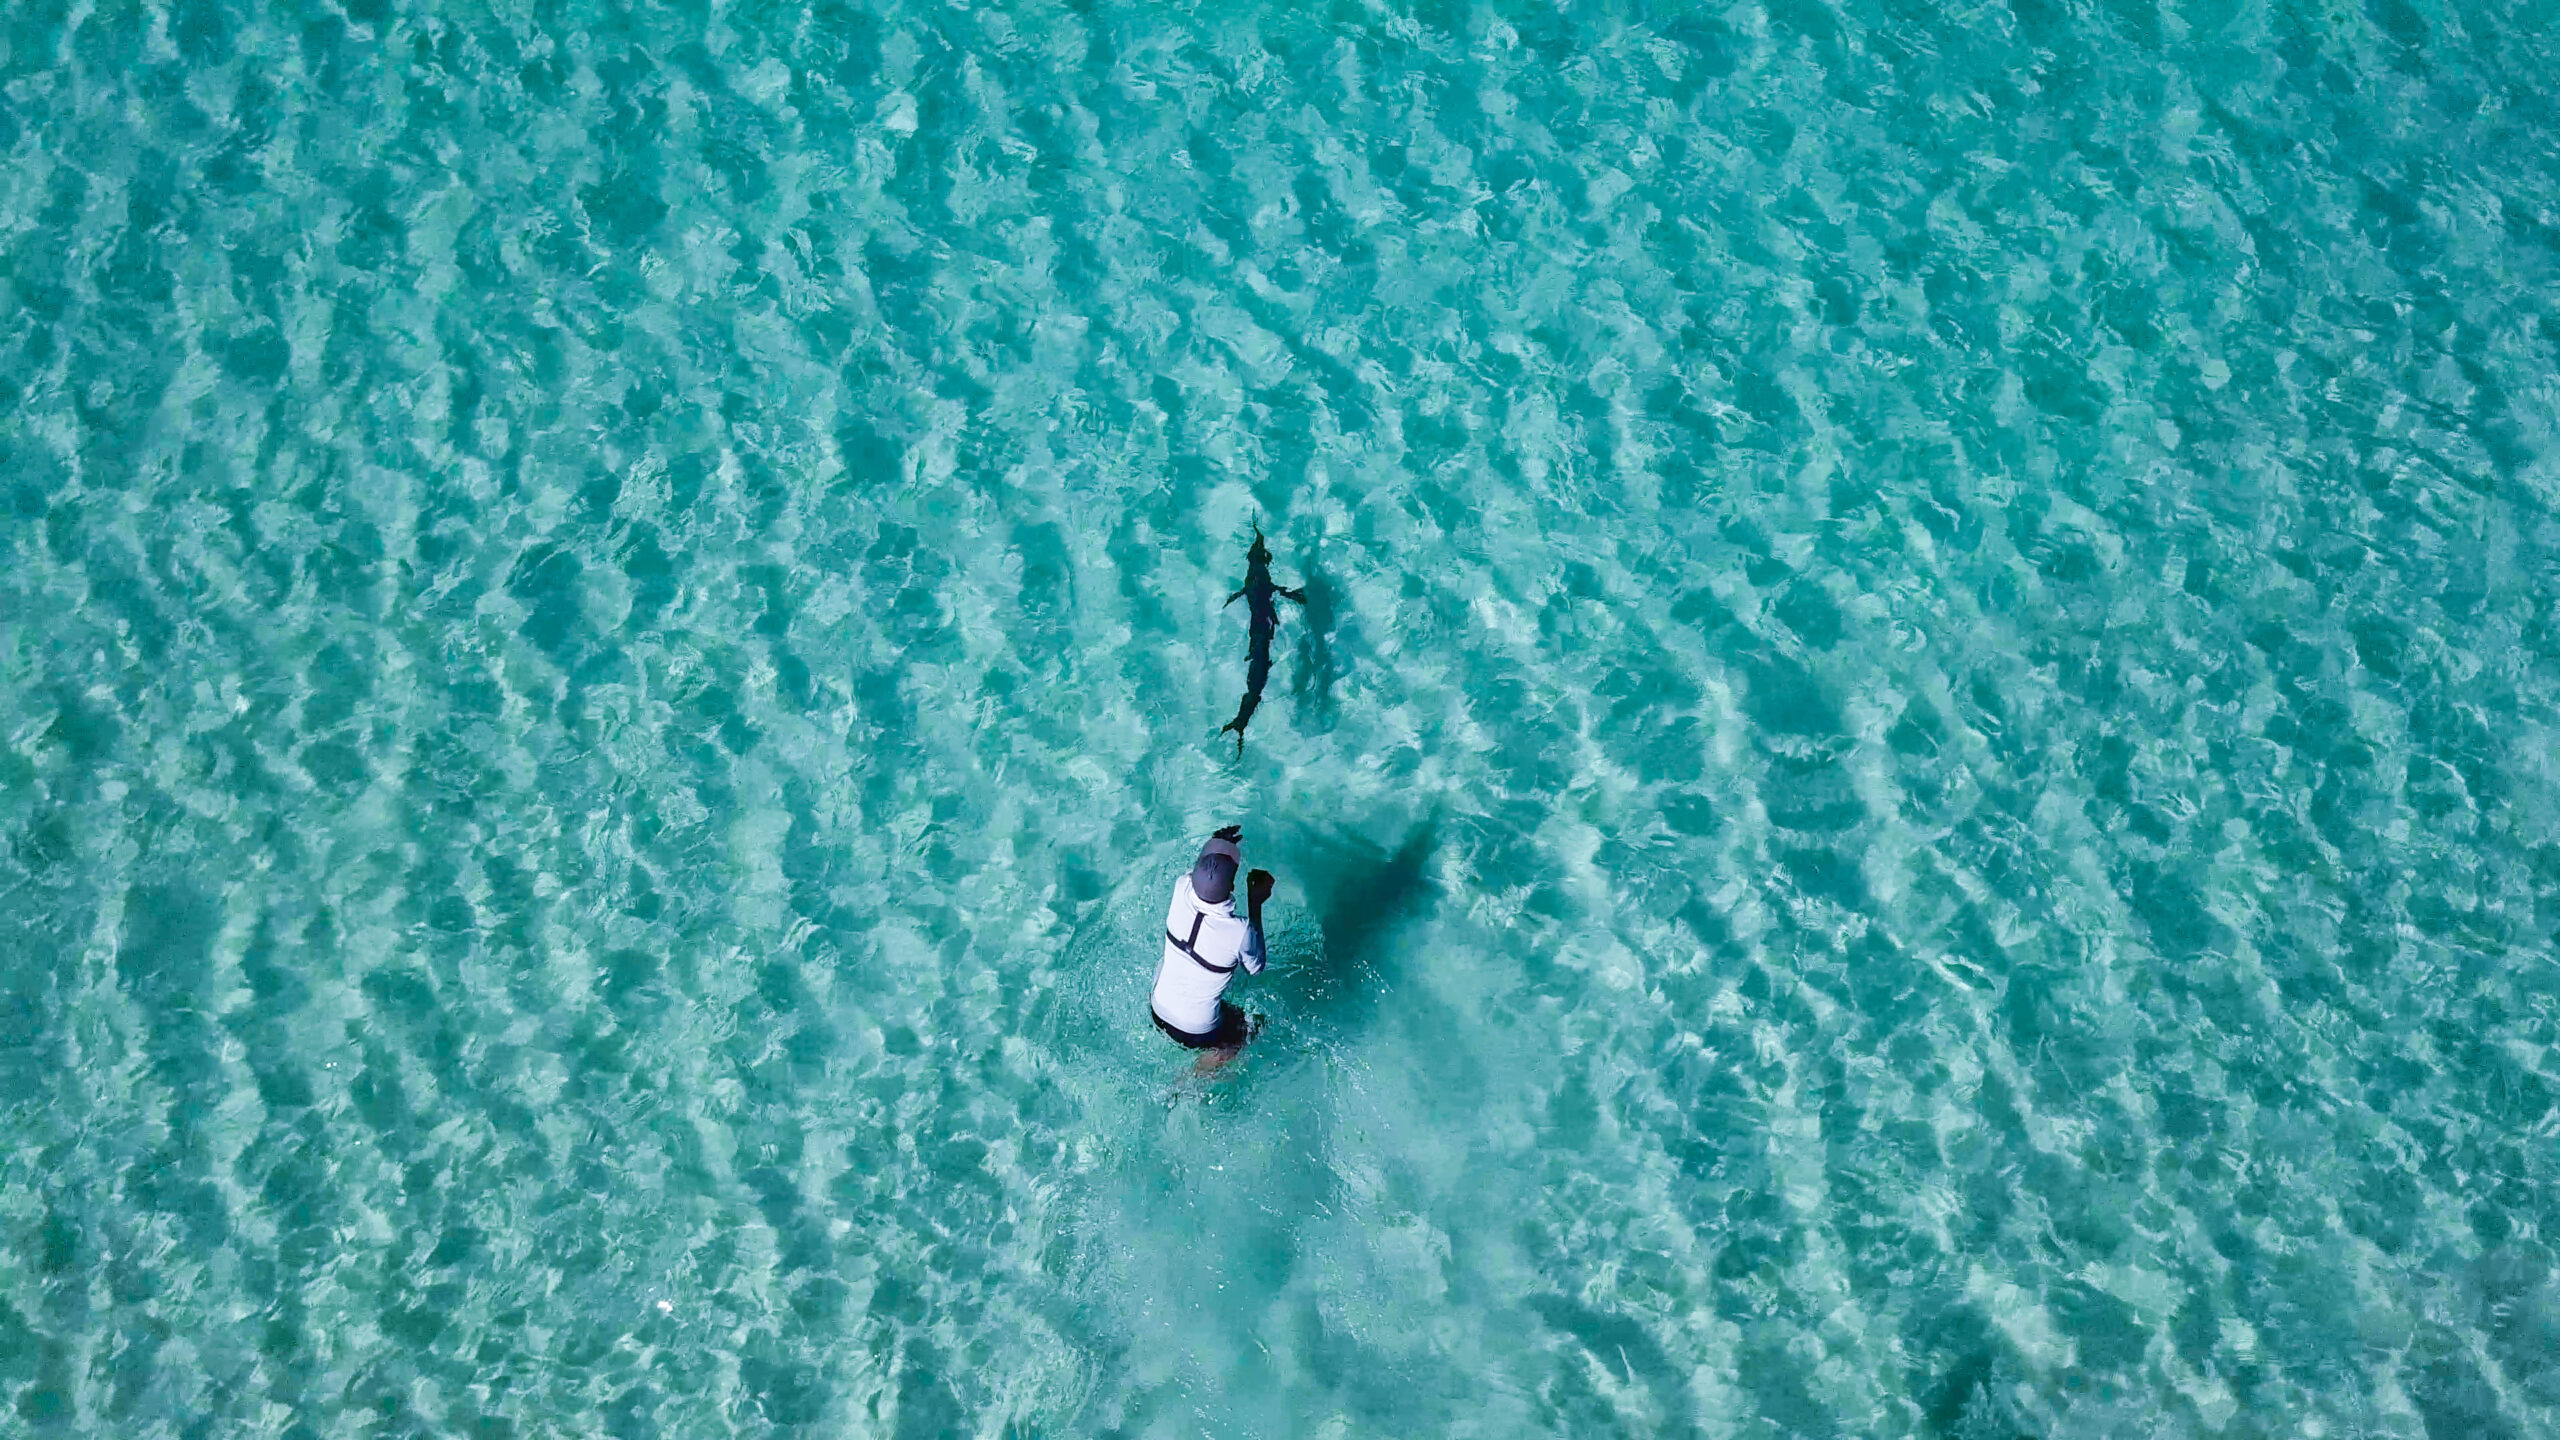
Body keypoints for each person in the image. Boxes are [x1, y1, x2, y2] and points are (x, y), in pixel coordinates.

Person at [1150, 826, 1273, 1061]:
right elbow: (1256, 968)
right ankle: (1198, 1077)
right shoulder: (1239, 931)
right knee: (1253, 1025)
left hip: (1157, 1007)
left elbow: (1203, 871)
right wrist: (1255, 902)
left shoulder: (1180, 887)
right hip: (1196, 1031)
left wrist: (1217, 841)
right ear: (1232, 889)